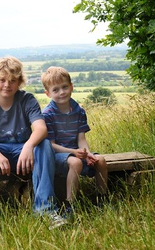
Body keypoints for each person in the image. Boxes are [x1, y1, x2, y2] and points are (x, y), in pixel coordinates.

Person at [0, 56, 66, 229]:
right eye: (2, 80)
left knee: (44, 145)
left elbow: (41, 128)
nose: (7, 85)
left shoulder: (27, 99)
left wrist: (28, 145)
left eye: (12, 80)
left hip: (23, 154)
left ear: (19, 82)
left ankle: (46, 211)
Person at [41, 66, 108, 213]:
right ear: (48, 93)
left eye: (65, 87)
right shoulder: (47, 114)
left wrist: (87, 153)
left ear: (71, 87)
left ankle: (102, 200)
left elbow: (81, 139)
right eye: (56, 90)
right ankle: (70, 205)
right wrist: (74, 152)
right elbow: (50, 145)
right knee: (76, 162)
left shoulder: (79, 111)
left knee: (100, 160)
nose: (62, 92)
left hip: (76, 152)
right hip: (57, 156)